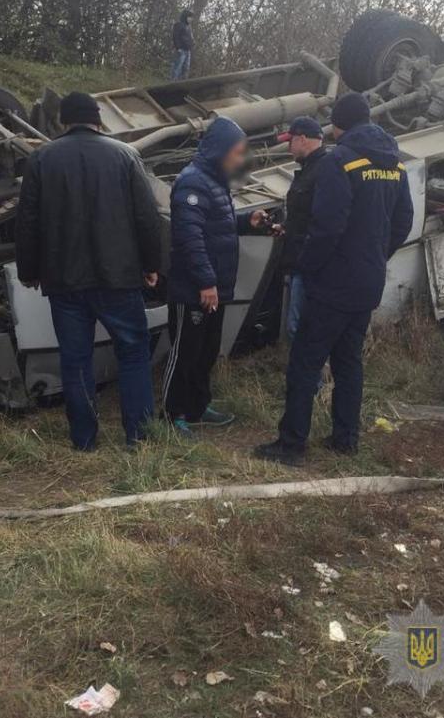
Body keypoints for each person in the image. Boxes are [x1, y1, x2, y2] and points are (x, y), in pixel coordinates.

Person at [254, 93, 414, 466]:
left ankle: (291, 444)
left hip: (333, 282)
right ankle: (345, 439)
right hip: (368, 281)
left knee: (305, 362)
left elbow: (327, 228)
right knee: (349, 362)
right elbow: (403, 222)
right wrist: (375, 256)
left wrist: (309, 266)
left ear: (339, 123)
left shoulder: (339, 161)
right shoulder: (396, 164)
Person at [15, 91, 163, 450]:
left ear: (65, 121)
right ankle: (138, 436)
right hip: (119, 277)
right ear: (97, 119)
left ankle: (84, 440)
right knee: (132, 352)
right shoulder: (125, 156)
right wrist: (152, 264)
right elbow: (147, 217)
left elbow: (28, 222)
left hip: (64, 281)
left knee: (75, 359)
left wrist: (29, 270)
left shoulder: (41, 159)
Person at [163, 117, 272, 433]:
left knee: (206, 352)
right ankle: (173, 415)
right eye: (237, 152)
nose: (240, 159)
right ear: (221, 150)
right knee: (185, 352)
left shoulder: (215, 181)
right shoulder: (192, 182)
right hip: (194, 289)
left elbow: (216, 225)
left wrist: (245, 220)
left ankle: (197, 407)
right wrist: (206, 282)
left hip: (216, 288)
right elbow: (189, 236)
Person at [278, 116, 328, 337]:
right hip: (300, 260)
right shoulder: (309, 169)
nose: (288, 146)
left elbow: (324, 222)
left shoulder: (324, 171)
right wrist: (285, 228)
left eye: (291, 141)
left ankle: (308, 369)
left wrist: (309, 260)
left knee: (299, 327)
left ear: (304, 139)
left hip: (310, 266)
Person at [170, 9, 194, 81]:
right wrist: (178, 48)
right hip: (181, 50)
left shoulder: (189, 27)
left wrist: (192, 43)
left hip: (188, 50)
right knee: (177, 68)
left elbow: (190, 38)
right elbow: (175, 36)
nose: (191, 19)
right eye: (190, 17)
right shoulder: (178, 25)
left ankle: (182, 85)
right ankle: (172, 84)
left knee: (186, 69)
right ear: (185, 16)